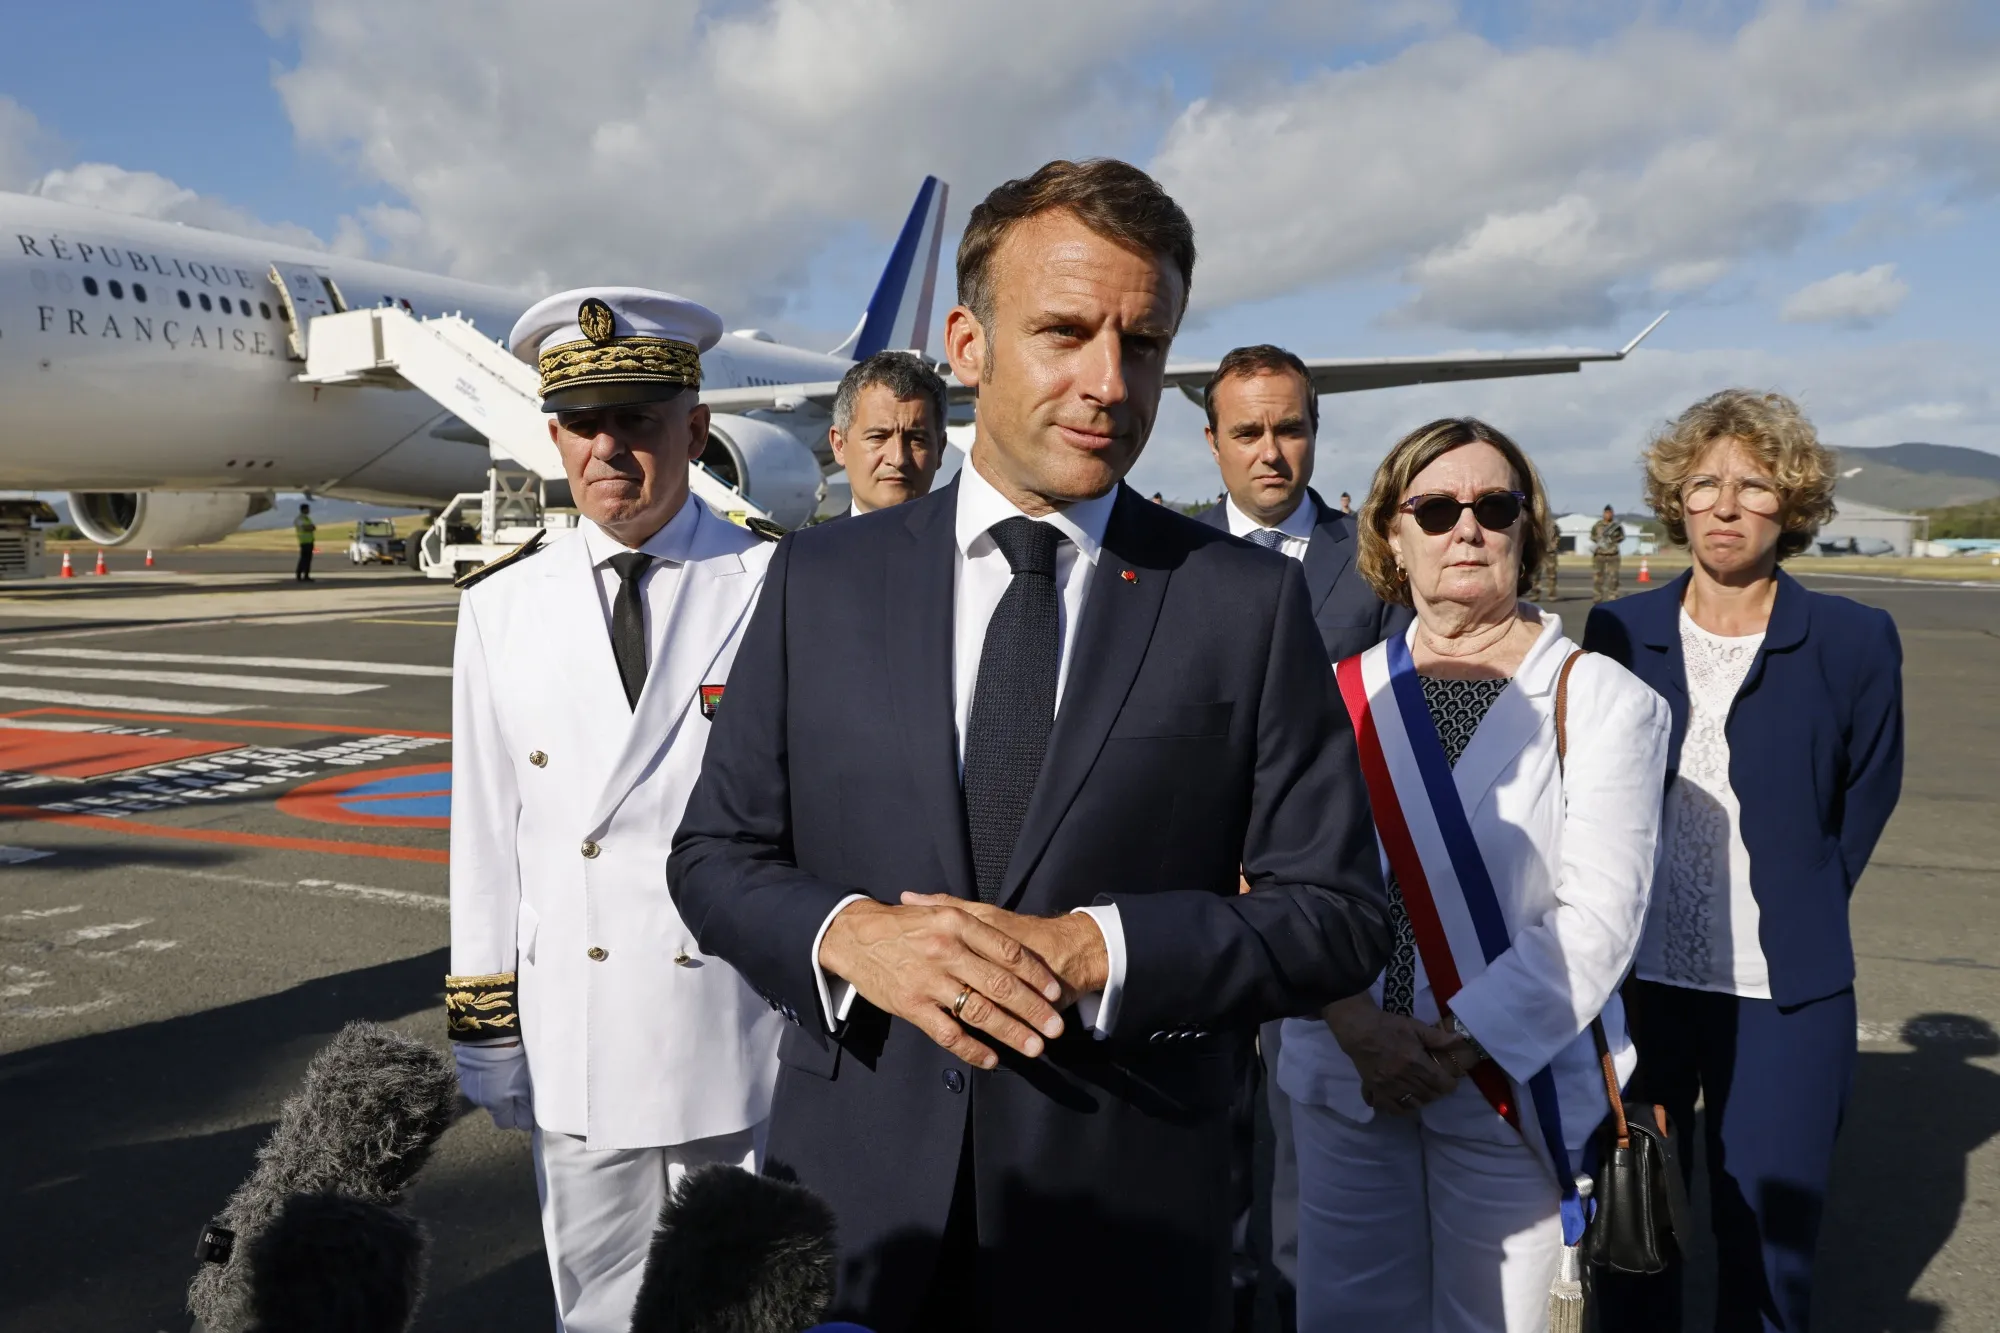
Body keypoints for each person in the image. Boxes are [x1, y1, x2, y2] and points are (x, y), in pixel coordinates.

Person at [670, 158, 1391, 1333]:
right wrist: (854, 937)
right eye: (1063, 331)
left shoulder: (1239, 603)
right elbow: (712, 856)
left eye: (1142, 343)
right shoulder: (818, 581)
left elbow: (1337, 912)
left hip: (1125, 1209)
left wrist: (1097, 950)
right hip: (854, 1206)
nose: (1109, 382)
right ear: (968, 344)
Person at [1279, 416, 1670, 1333]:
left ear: (1527, 530)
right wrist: (1360, 1028)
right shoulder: (1333, 693)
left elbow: (1599, 919)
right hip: (1347, 1072)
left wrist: (1453, 1045)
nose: (1468, 527)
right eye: (1436, 507)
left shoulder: (1602, 699)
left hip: (1507, 1088)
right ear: (1391, 533)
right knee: (1345, 1318)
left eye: (1495, 507)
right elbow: (1282, 877)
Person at [448, 287, 786, 1333]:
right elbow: (484, 835)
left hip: (730, 1019)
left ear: (691, 428)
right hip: (576, 1031)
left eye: (633, 422)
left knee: (738, 1299)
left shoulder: (774, 580)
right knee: (594, 1304)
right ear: (553, 436)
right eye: (582, 426)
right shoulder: (500, 604)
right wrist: (484, 1027)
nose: (608, 450)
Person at [1586, 390, 1904, 1333]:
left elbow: (1864, 796)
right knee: (1635, 1232)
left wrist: (1799, 900)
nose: (1725, 505)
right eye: (1704, 483)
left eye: (1753, 485)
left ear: (1791, 503)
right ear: (1674, 500)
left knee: (1766, 1249)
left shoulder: (1853, 640)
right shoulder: (1618, 629)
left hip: (1784, 995)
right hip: (1638, 986)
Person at [1193, 341, 1411, 1323]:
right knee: (1201, 1151)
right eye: (1247, 432)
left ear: (1314, 434)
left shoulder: (1370, 565)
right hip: (1193, 900)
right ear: (1211, 442)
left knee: (1302, 1160)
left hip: (1311, 899)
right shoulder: (1161, 552)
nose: (1270, 452)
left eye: (1289, 429)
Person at [826, 350, 949, 519]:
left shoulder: (974, 545)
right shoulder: (805, 546)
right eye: (878, 437)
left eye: (917, 440)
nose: (898, 459)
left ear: (940, 450)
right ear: (839, 445)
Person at [1591, 504, 1624, 602]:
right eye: (1606, 513)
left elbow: (1622, 537)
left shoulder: (1616, 526)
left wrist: (1612, 539)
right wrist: (1600, 540)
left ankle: (1613, 597)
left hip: (1613, 554)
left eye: (1610, 513)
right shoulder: (1597, 525)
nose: (1608, 515)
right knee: (1598, 578)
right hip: (1600, 555)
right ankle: (1597, 597)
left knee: (1614, 577)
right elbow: (1592, 536)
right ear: (1603, 513)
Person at [1535, 511, 1560, 603]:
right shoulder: (1534, 523)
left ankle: (1552, 595)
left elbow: (1558, 535)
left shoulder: (1553, 524)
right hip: (1538, 552)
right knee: (1535, 575)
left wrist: (1555, 545)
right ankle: (1535, 594)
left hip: (1550, 553)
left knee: (1552, 576)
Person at [293, 503, 316, 582]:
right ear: (303, 509)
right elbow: (306, 528)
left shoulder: (307, 518)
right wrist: (310, 527)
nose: (309, 510)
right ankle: (299, 574)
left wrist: (310, 527)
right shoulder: (299, 519)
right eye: (307, 509)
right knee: (303, 559)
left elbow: (312, 527)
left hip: (310, 541)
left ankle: (306, 575)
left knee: (308, 559)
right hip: (304, 542)